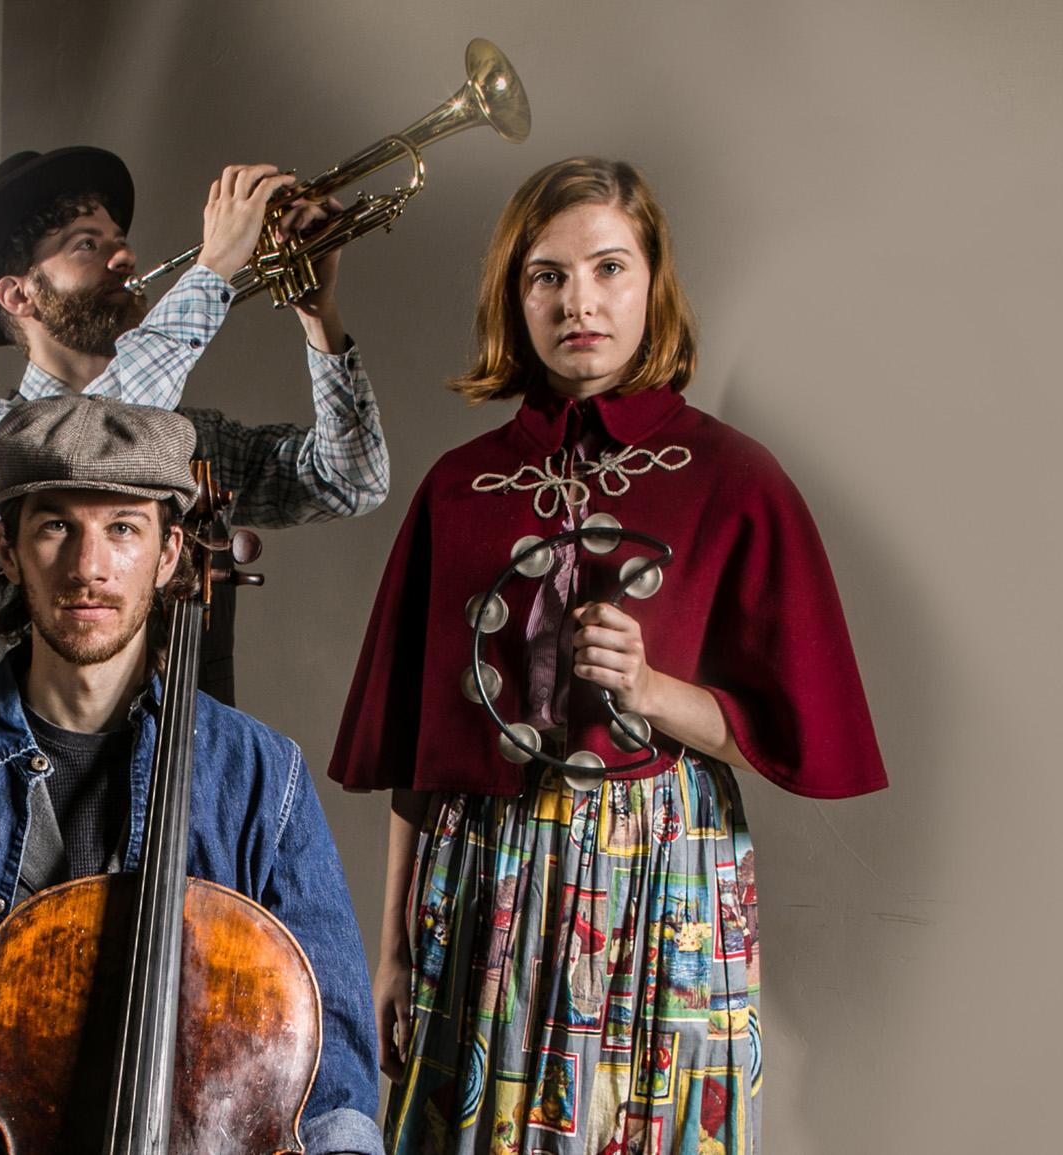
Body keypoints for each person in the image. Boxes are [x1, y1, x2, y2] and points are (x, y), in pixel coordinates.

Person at [327, 158, 887, 1154]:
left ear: (653, 283)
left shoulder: (733, 479)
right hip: (483, 870)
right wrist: (392, 951)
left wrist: (653, 687)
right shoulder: (461, 486)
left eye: (609, 268)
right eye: (547, 275)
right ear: (516, 296)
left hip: (663, 875)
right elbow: (419, 755)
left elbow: (771, 729)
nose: (579, 300)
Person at [0, 395, 382, 1154]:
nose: (88, 566)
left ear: (170, 555)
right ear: (7, 548)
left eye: (123, 528)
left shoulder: (268, 779)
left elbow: (332, 1097)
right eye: (55, 525)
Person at [0, 146, 389, 701]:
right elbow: (92, 443)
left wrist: (320, 315)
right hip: (43, 757)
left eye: (119, 238)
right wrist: (214, 267)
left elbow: (352, 482)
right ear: (19, 294)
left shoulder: (186, 438)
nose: (123, 256)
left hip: (195, 754)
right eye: (86, 243)